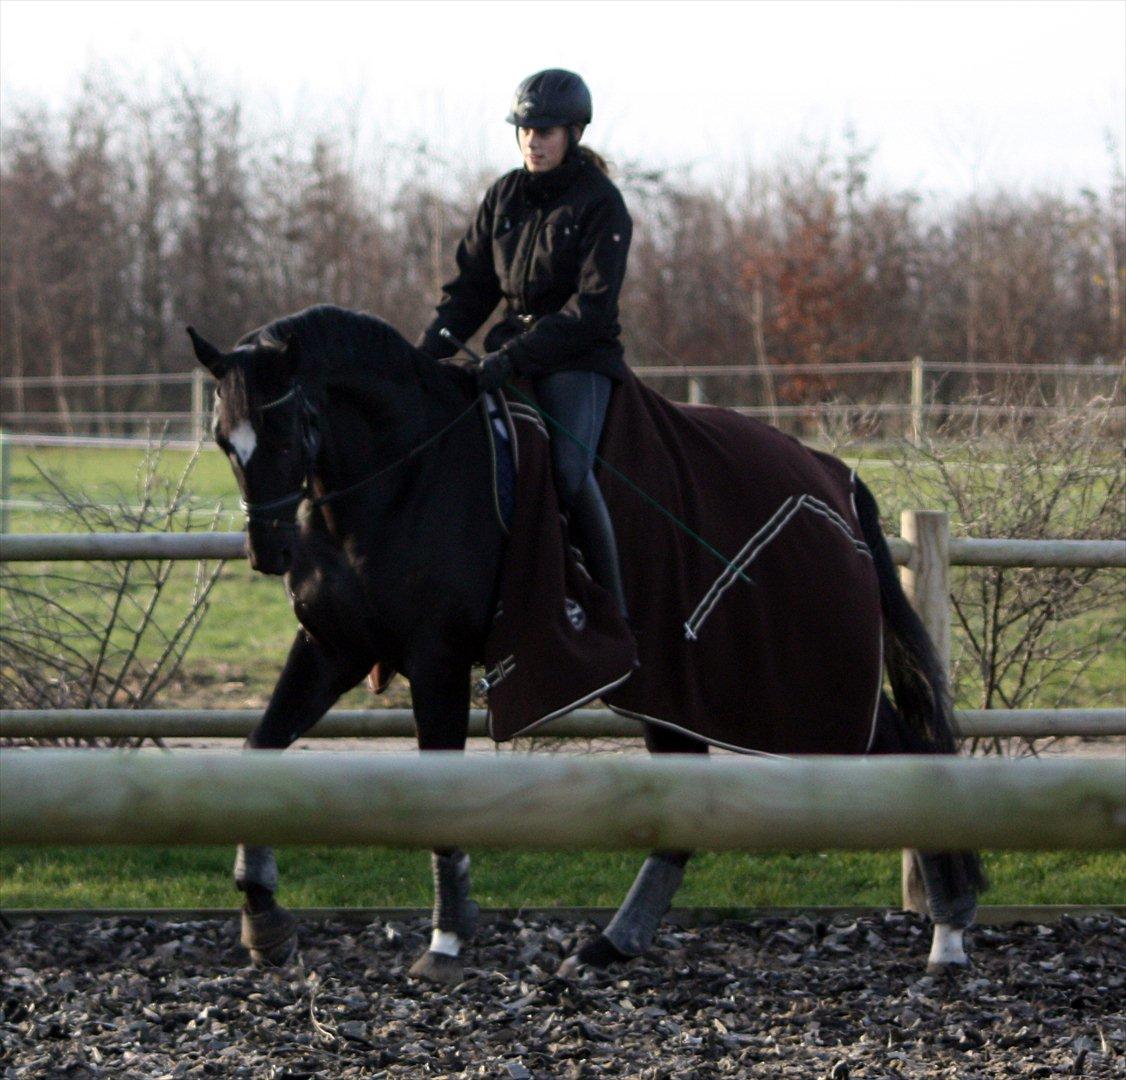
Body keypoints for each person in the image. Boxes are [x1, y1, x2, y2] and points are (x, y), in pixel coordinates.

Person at [417, 68, 633, 618]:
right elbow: (472, 289)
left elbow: (590, 309)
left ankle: (608, 604)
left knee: (566, 469)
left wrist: (513, 356)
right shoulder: (504, 195)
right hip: (507, 351)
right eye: (526, 131)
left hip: (577, 358)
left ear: (575, 133)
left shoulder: (601, 204)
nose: (533, 141)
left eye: (546, 131)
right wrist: (424, 355)